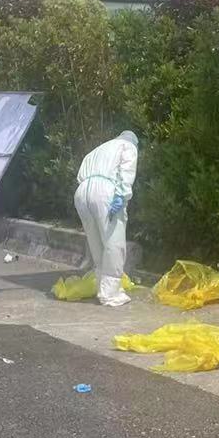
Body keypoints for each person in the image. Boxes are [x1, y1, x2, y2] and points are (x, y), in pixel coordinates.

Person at [72, 130, 139, 308]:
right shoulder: (128, 146)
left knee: (96, 242)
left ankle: (101, 286)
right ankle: (110, 294)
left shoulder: (97, 150)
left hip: (82, 192)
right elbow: (126, 172)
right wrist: (122, 195)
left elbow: (80, 176)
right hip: (104, 192)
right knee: (113, 242)